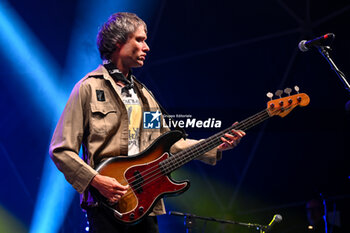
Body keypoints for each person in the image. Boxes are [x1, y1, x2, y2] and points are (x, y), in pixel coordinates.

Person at [49, 12, 245, 233]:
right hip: (106, 206)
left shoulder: (144, 96)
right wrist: (96, 180)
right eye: (139, 40)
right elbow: (61, 150)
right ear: (118, 42)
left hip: (145, 203)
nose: (147, 47)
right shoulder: (88, 89)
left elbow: (167, 142)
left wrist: (215, 144)